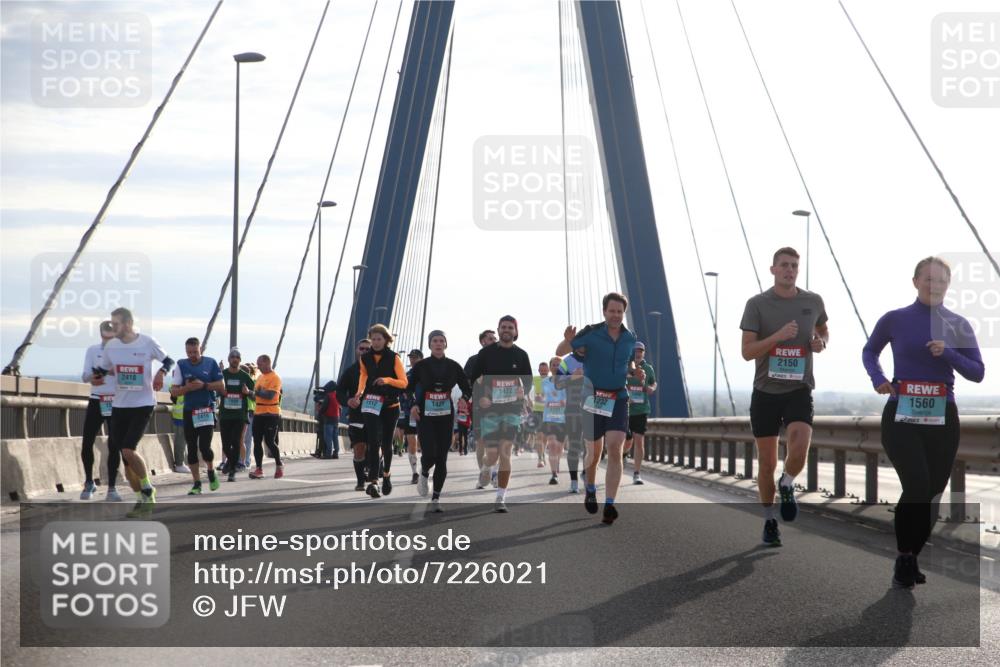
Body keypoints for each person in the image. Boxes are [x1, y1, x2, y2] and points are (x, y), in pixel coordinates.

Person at [862, 256, 984, 588]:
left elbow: (977, 372)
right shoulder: (895, 319)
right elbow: (869, 351)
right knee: (916, 485)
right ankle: (904, 556)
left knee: (932, 493)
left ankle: (912, 556)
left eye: (941, 280)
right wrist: (878, 378)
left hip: (942, 415)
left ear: (949, 284)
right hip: (901, 414)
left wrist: (948, 353)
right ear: (915, 282)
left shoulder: (958, 325)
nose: (935, 285)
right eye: (928, 279)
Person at [740, 247, 829, 547]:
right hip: (765, 392)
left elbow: (824, 329)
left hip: (799, 390)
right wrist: (777, 337)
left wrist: (820, 342)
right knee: (766, 463)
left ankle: (787, 484)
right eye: (784, 266)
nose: (789, 270)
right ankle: (768, 520)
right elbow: (747, 352)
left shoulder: (813, 301)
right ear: (773, 270)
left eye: (794, 266)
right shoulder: (757, 305)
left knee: (800, 446)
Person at [557, 292, 639, 525]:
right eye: (611, 311)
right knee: (594, 452)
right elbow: (561, 350)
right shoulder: (590, 333)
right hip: (593, 398)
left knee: (615, 448)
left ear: (624, 313)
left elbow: (629, 361)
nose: (615, 315)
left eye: (619, 312)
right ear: (604, 311)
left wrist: (635, 371)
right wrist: (567, 339)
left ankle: (610, 504)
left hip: (619, 398)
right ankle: (590, 487)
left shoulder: (630, 337)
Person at [96, 307, 174, 518]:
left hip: (143, 404)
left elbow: (168, 360)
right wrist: (97, 377)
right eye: (111, 324)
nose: (113, 327)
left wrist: (161, 373)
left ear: (128, 324)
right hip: (120, 405)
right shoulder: (112, 346)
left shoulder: (147, 342)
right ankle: (142, 500)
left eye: (116, 324)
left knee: (128, 449)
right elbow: (102, 369)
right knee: (125, 457)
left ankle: (148, 488)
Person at [467, 316, 533, 513]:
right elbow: (474, 379)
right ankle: (486, 468)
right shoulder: (485, 353)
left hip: (512, 409)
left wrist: (524, 391)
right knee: (493, 454)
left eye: (510, 327)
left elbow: (527, 380)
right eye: (503, 327)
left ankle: (500, 497)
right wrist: (481, 398)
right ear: (498, 329)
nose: (506, 330)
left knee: (505, 452)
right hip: (490, 410)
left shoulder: (521, 355)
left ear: (515, 331)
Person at [410, 330, 472, 512]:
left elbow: (466, 387)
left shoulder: (453, 366)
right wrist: (413, 404)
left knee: (442, 457)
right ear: (430, 345)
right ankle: (423, 472)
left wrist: (464, 398)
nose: (438, 343)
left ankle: (436, 497)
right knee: (429, 454)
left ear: (446, 344)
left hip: (445, 416)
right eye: (435, 341)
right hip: (425, 415)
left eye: (441, 341)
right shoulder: (421, 366)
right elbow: (408, 387)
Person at [351, 324, 408, 498]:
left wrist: (387, 380)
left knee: (386, 443)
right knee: (373, 442)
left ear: (386, 340)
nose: (375, 342)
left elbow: (404, 382)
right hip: (372, 403)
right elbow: (363, 376)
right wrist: (359, 393)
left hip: (390, 405)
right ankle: (374, 482)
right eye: (373, 339)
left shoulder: (394, 358)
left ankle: (387, 475)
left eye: (379, 339)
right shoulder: (365, 358)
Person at [169, 337, 225, 495]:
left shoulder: (210, 363)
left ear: (200, 350)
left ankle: (211, 470)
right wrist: (188, 388)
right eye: (189, 352)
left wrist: (204, 385)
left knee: (205, 448)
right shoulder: (181, 364)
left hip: (206, 410)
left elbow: (221, 386)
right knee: (192, 449)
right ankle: (196, 483)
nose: (192, 355)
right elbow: (174, 391)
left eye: (195, 352)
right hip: (189, 411)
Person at [80, 320, 121, 500]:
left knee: (114, 445)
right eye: (105, 337)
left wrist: (114, 372)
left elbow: (131, 377)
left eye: (111, 337)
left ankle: (112, 487)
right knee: (87, 442)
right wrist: (93, 378)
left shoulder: (123, 351)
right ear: (100, 334)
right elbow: (84, 376)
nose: (108, 340)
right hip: (96, 400)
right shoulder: (92, 350)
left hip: (116, 401)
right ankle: (89, 482)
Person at [338, 339, 371, 491]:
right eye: (361, 348)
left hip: (375, 416)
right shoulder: (350, 371)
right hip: (357, 416)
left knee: (374, 448)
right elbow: (339, 392)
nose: (364, 351)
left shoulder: (380, 370)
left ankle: (373, 467)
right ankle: (360, 481)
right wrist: (348, 401)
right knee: (359, 448)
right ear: (357, 351)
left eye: (367, 349)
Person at [554, 346, 587, 494]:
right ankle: (574, 481)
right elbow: (557, 384)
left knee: (593, 446)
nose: (583, 346)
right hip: (573, 408)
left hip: (593, 407)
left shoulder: (596, 358)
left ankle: (586, 472)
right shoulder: (567, 362)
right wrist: (571, 378)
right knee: (575, 445)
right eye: (580, 343)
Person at [464, 329, 497, 475]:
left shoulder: (501, 359)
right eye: (490, 338)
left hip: (499, 405)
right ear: (483, 341)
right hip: (479, 405)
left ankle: (495, 473)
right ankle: (483, 473)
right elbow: (465, 381)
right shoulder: (473, 360)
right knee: (481, 442)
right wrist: (475, 381)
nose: (494, 341)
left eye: (494, 338)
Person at [624, 342, 657, 484]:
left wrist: (651, 388)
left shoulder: (648, 368)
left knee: (639, 441)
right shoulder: (624, 366)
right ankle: (624, 454)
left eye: (640, 351)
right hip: (624, 409)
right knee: (627, 440)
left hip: (641, 410)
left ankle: (636, 473)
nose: (638, 353)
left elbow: (654, 383)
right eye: (636, 351)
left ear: (643, 353)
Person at [220, 348, 254, 482]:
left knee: (236, 442)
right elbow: (215, 391)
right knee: (225, 445)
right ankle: (229, 463)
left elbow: (254, 395)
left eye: (237, 357)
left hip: (239, 415)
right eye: (232, 357)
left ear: (240, 360)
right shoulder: (222, 375)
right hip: (225, 414)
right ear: (229, 359)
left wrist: (248, 392)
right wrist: (220, 391)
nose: (235, 359)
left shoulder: (245, 376)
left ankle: (232, 470)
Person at [249, 354, 283, 479]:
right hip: (258, 412)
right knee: (257, 441)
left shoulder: (275, 378)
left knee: (269, 441)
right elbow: (256, 396)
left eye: (260, 364)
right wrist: (248, 393)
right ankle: (259, 469)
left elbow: (269, 395)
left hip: (271, 413)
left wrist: (256, 392)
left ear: (267, 363)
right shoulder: (260, 378)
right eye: (257, 364)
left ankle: (279, 464)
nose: (258, 367)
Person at [541, 356, 567, 485]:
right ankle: (554, 474)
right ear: (550, 367)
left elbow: (572, 397)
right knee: (551, 444)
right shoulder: (545, 381)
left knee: (559, 447)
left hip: (562, 418)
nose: (556, 367)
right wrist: (541, 400)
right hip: (549, 417)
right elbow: (543, 398)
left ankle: (557, 462)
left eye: (558, 365)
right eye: (554, 365)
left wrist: (564, 402)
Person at [401, 349, 424, 482]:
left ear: (421, 358)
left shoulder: (427, 373)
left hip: (426, 412)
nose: (412, 360)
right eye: (411, 358)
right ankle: (415, 472)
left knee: (423, 443)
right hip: (409, 412)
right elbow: (401, 392)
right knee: (411, 441)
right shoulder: (406, 376)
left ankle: (424, 470)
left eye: (415, 357)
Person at [315, 380, 341, 459]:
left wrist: (319, 411)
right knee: (335, 437)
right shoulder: (337, 395)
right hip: (336, 418)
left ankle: (328, 454)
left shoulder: (328, 396)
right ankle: (336, 452)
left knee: (328, 437)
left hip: (328, 418)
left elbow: (324, 407)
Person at [530, 361, 549, 468]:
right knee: (539, 436)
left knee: (545, 437)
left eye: (545, 371)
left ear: (548, 371)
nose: (543, 373)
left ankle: (543, 453)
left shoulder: (552, 381)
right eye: (541, 371)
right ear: (538, 371)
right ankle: (540, 458)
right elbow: (528, 392)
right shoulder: (535, 380)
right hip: (537, 411)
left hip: (549, 411)